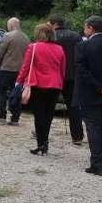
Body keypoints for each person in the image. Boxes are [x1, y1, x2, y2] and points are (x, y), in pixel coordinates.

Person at [17, 23, 66, 156]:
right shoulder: (60, 49)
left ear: (39, 33)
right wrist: (61, 83)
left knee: (39, 115)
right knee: (49, 115)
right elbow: (62, 69)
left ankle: (41, 144)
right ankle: (45, 143)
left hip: (38, 84)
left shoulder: (33, 47)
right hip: (55, 85)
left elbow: (25, 67)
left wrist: (19, 81)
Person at [75, 16, 102, 175]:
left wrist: (100, 87)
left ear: (90, 28)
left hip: (91, 93)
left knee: (93, 127)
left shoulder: (83, 46)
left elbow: (82, 72)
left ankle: (97, 163)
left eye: (85, 27)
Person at [50, 16, 84, 144]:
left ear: (54, 24)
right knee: (74, 107)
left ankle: (41, 132)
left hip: (55, 75)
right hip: (73, 76)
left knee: (48, 106)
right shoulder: (76, 36)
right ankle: (78, 136)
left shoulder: (51, 36)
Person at [0, 17, 30, 126]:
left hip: (7, 68)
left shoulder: (8, 36)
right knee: (16, 94)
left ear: (11, 25)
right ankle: (15, 118)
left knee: (1, 91)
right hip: (20, 71)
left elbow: (1, 52)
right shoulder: (26, 38)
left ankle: (2, 116)